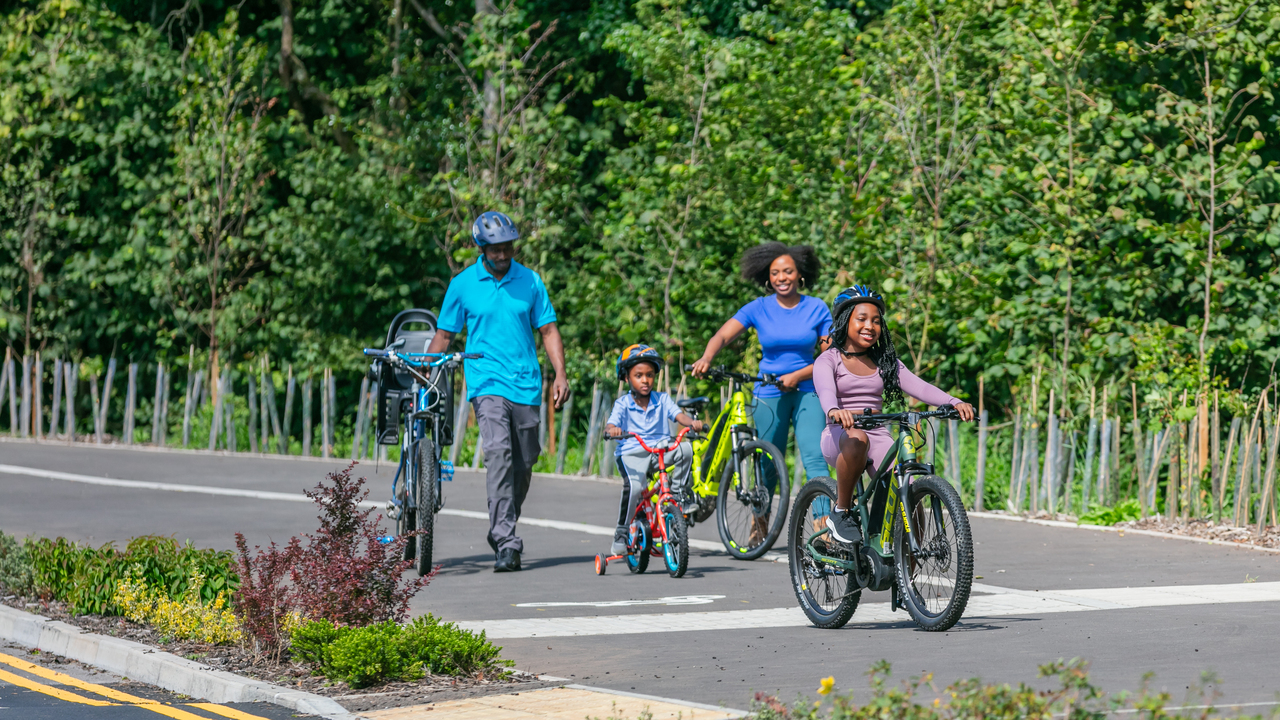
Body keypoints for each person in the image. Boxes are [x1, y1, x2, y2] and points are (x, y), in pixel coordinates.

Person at [427, 211, 569, 573]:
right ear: (481, 247)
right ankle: (506, 540)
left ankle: (501, 524)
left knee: (524, 462)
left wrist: (560, 374)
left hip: (525, 382)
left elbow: (549, 331)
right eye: (496, 249)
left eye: (508, 248)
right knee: (498, 452)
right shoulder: (462, 285)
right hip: (485, 381)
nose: (503, 255)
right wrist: (425, 371)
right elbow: (444, 335)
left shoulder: (531, 281)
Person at [690, 242, 831, 542]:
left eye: (788, 271)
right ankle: (760, 522)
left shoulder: (817, 307)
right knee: (767, 461)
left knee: (815, 457)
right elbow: (723, 334)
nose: (782, 277)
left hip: (808, 388)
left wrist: (797, 375)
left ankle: (824, 528)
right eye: (776, 273)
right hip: (768, 392)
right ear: (768, 278)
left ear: (799, 274)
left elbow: (829, 356)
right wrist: (706, 357)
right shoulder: (759, 307)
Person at [812, 285, 975, 545]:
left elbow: (920, 386)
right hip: (840, 434)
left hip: (877, 434)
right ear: (845, 321)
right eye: (862, 319)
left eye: (876, 321)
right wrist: (834, 410)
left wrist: (953, 402)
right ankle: (841, 512)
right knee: (857, 439)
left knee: (907, 492)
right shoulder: (829, 359)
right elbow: (825, 389)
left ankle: (907, 570)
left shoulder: (884, 362)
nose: (870, 326)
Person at [604, 344, 706, 556]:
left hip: (659, 451)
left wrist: (691, 423)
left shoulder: (662, 399)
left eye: (649, 375)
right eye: (638, 375)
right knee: (633, 487)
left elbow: (679, 416)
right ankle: (621, 532)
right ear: (626, 378)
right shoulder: (623, 404)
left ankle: (677, 496)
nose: (645, 380)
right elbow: (610, 425)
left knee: (686, 449)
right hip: (632, 453)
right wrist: (612, 430)